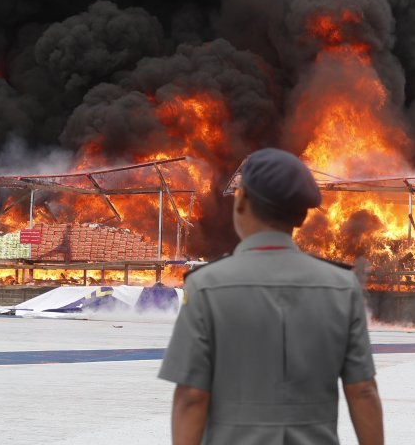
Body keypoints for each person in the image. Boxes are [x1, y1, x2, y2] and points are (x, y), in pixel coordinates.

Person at [158, 148, 383, 445]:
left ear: (242, 201)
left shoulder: (207, 286)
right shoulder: (342, 286)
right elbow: (362, 390)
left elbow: (192, 395)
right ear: (300, 217)